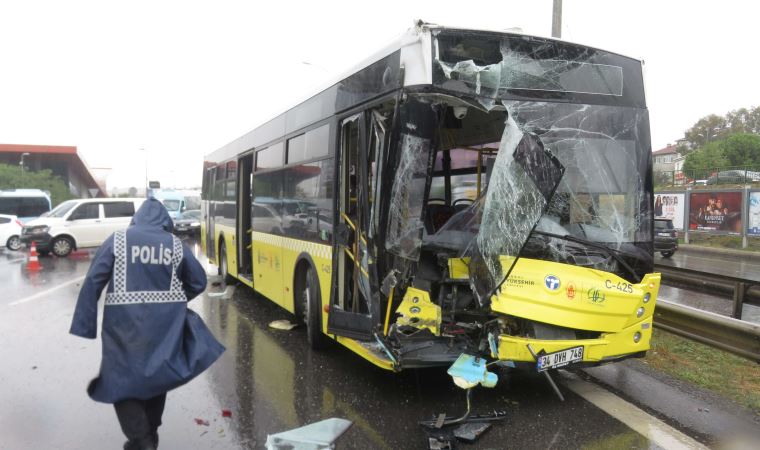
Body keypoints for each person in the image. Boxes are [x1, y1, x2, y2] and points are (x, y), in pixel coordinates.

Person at [69, 198, 225, 450]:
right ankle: (149, 434)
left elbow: (93, 281)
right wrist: (174, 302)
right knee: (156, 374)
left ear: (137, 219)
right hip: (164, 325)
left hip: (123, 326)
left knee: (119, 379)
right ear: (165, 221)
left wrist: (84, 325)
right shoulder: (175, 245)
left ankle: (141, 440)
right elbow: (198, 281)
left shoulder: (118, 240)